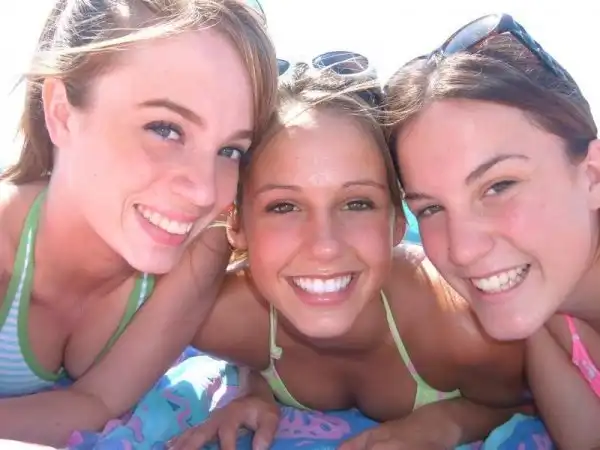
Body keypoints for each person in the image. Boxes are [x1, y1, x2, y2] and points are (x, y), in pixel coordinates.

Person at [170, 60, 527, 450]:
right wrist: (253, 388)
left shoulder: (465, 330)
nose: (325, 246)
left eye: (357, 203)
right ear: (236, 225)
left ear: (396, 221)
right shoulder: (218, 318)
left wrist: (446, 423)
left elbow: (529, 399)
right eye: (284, 207)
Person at [0, 0, 277, 446]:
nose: (205, 193)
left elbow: (96, 403)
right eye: (165, 129)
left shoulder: (204, 247)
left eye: (230, 151)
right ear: (61, 113)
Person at [385, 13, 600, 449]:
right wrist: (458, 418)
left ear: (593, 176)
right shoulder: (548, 321)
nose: (463, 250)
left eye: (499, 186)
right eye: (430, 208)